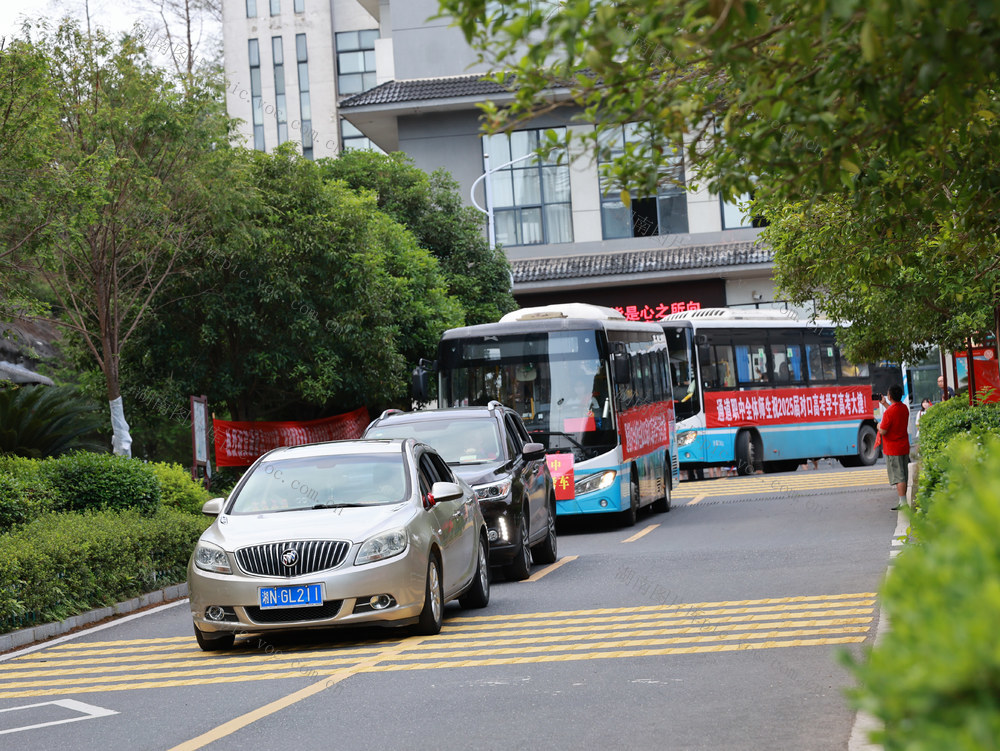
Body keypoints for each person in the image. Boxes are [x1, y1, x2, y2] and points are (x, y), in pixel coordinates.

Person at [878, 384, 911, 511]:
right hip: (903, 446)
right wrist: (885, 404)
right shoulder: (904, 408)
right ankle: (902, 501)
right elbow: (894, 412)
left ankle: (903, 503)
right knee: (903, 474)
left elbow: (883, 431)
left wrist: (878, 427)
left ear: (890, 396)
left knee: (898, 476)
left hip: (893, 448)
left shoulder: (889, 413)